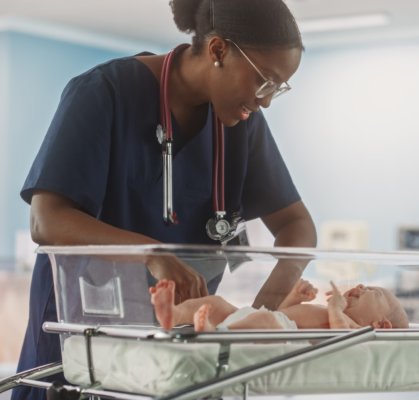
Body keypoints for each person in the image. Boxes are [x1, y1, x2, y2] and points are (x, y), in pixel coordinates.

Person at [14, 1, 316, 399]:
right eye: (264, 81)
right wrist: (150, 253)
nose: (266, 100)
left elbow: (298, 226)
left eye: (278, 87)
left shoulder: (241, 126)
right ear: (218, 51)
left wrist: (261, 317)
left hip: (175, 358)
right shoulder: (104, 92)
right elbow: (47, 222)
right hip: (83, 346)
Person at [150, 279, 410, 331]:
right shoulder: (333, 312)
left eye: (373, 293)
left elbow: (339, 333)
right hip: (264, 318)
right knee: (217, 302)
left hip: (271, 330)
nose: (362, 287)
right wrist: (294, 297)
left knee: (265, 322)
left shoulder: (356, 332)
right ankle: (175, 312)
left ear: (381, 325)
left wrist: (335, 308)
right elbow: (283, 314)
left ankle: (213, 334)